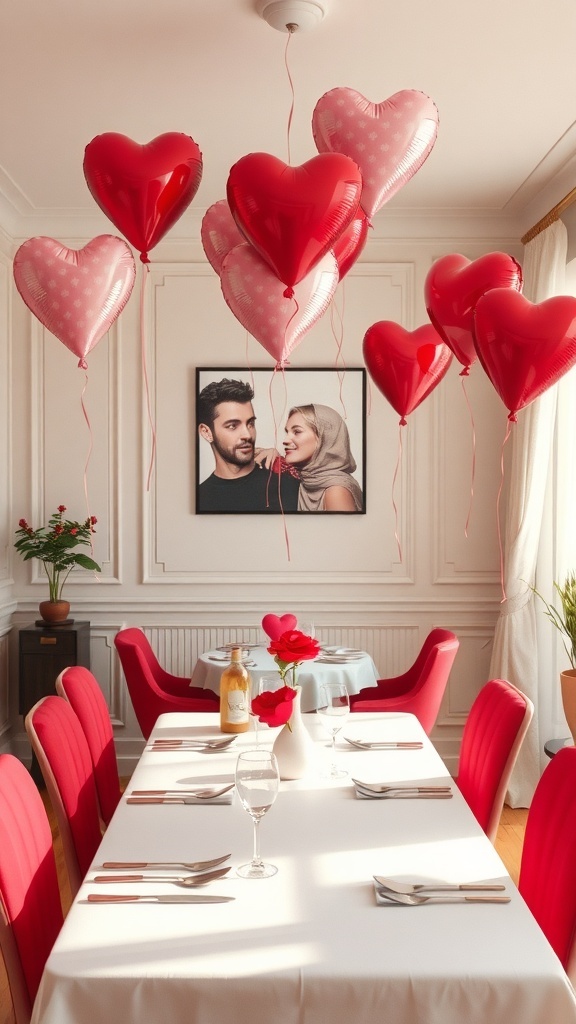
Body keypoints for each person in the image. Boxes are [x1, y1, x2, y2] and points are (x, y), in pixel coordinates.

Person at [196, 378, 300, 513]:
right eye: (232, 426)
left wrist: (282, 463)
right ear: (207, 432)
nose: (247, 435)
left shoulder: (287, 483)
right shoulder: (201, 498)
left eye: (250, 424)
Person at [282, 404, 363, 512]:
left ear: (324, 437)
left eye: (297, 432)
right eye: (287, 432)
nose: (286, 440)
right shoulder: (308, 480)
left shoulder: (336, 491)